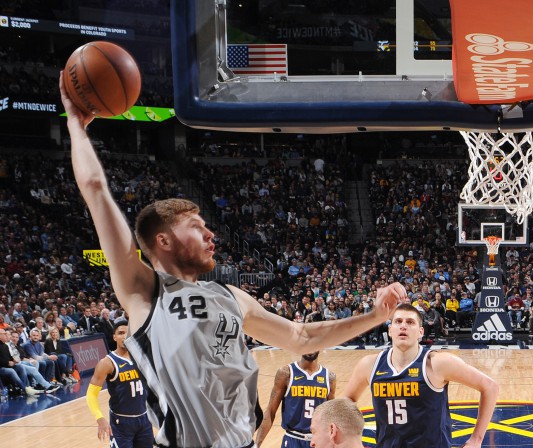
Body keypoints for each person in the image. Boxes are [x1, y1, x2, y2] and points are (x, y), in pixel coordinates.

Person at [60, 73, 405, 448]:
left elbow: (302, 336)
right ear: (163, 241)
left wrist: (374, 317)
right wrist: (76, 125)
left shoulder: (231, 296)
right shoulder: (144, 291)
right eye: (196, 227)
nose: (211, 235)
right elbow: (95, 190)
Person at [343, 304, 498, 447]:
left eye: (410, 322)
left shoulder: (437, 363)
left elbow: (490, 387)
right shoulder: (370, 365)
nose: (403, 326)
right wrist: (352, 439)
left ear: (420, 332)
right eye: (398, 321)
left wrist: (476, 440)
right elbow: (346, 400)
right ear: (390, 330)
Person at [86, 321, 155, 448]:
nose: (124, 336)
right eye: (120, 333)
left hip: (144, 420)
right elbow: (91, 394)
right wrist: (100, 418)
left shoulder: (143, 357)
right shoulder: (107, 363)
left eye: (127, 333)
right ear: (114, 337)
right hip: (121, 423)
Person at [255, 352, 336, 448]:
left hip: (318, 441)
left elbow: (331, 415)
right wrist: (256, 445)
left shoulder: (329, 377)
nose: (310, 350)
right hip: (292, 440)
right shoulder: (286, 373)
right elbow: (270, 412)